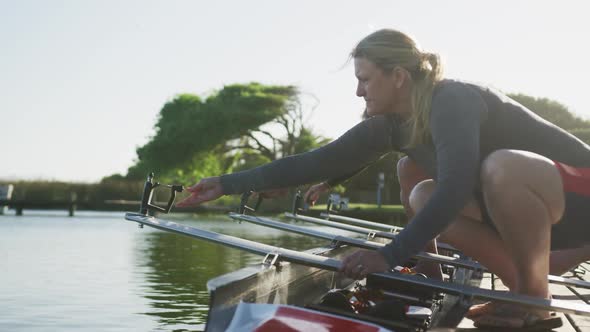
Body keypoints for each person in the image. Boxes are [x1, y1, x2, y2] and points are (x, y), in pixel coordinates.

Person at [177, 28, 590, 329]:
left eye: (365, 78)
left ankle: (534, 300)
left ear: (399, 77)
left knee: (498, 167)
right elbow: (317, 161)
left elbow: (458, 188)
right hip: (540, 213)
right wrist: (227, 183)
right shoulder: (392, 124)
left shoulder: (453, 100)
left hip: (579, 197)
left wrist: (389, 254)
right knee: (420, 186)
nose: (359, 92)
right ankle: (518, 284)